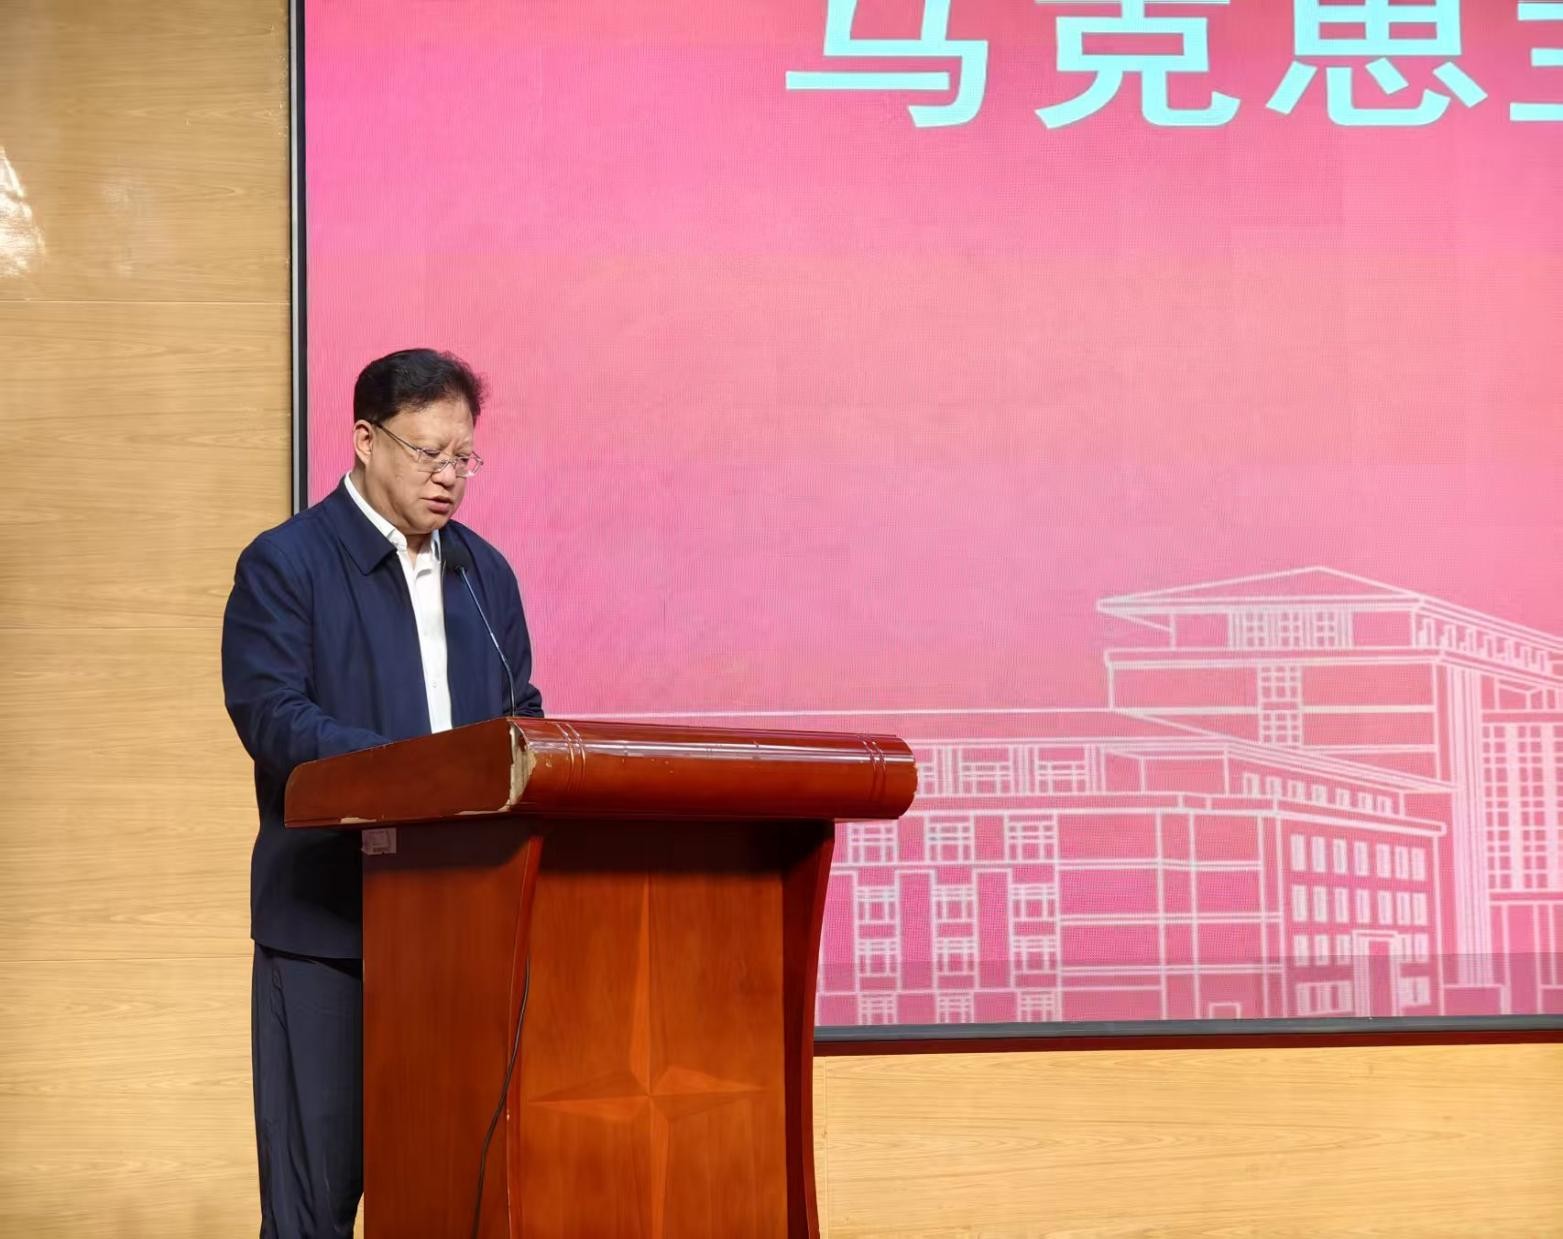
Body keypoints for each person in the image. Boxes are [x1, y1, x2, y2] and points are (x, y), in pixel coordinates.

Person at [221, 348, 544, 1238]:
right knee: (313, 1206)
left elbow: (521, 715)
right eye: (427, 452)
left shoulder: (485, 573)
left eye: (463, 457)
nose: (448, 477)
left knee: (449, 1189)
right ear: (365, 440)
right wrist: (418, 773)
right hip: (329, 928)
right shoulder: (286, 563)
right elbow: (275, 717)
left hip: (460, 930)